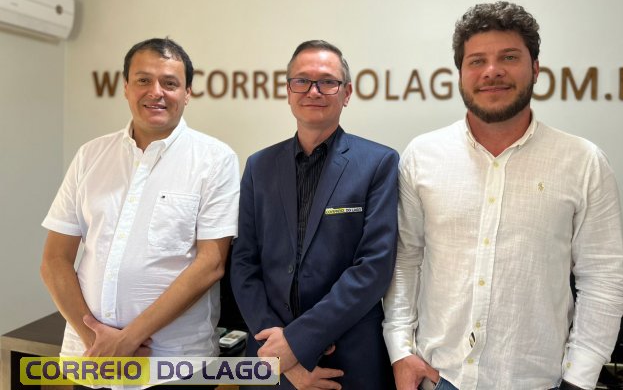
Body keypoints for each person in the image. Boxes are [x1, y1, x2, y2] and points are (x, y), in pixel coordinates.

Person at [383, 2, 623, 390]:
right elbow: (405, 260)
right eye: (477, 61)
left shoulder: (583, 162)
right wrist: (400, 350)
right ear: (460, 74)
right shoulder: (422, 155)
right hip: (438, 376)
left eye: (509, 57)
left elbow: (603, 281)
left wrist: (579, 379)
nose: (492, 71)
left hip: (537, 380)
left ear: (535, 68)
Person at [40, 38, 239, 386]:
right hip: (89, 360)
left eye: (170, 83)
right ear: (126, 87)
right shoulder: (90, 155)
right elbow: (54, 260)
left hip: (173, 365)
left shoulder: (215, 159)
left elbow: (211, 264)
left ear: (187, 93)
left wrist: (128, 340)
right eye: (143, 80)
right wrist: (99, 343)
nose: (156, 92)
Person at [231, 40, 398, 389]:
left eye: (327, 82)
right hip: (268, 359)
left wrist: (296, 343)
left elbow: (373, 267)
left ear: (347, 93)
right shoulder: (259, 166)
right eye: (302, 81)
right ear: (288, 90)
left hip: (348, 361)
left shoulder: (379, 163)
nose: (313, 91)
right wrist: (278, 349)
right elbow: (244, 263)